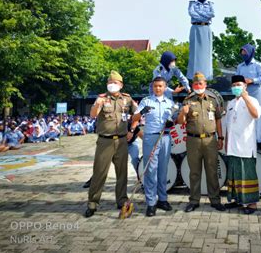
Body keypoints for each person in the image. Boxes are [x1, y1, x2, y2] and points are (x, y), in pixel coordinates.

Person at [85, 70, 137, 218]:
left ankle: (121, 200)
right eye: (110, 82)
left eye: (115, 83)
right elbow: (93, 115)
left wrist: (132, 130)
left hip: (121, 140)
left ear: (121, 85)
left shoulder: (127, 99)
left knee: (122, 173)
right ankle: (93, 203)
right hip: (105, 141)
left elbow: (137, 114)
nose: (112, 85)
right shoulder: (101, 99)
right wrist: (96, 105)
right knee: (99, 173)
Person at [177, 72, 226, 212]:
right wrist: (183, 113)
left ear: (205, 85)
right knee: (194, 172)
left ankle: (215, 200)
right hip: (193, 140)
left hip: (211, 140)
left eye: (201, 84)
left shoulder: (213, 100)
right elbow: (181, 123)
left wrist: (221, 137)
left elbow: (218, 120)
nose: (198, 86)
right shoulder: (187, 100)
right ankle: (194, 201)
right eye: (195, 84)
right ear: (192, 85)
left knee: (212, 171)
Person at [130, 77, 176, 217]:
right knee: (150, 169)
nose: (158, 88)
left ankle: (162, 199)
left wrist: (171, 122)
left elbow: (176, 119)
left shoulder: (170, 102)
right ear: (153, 87)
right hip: (150, 137)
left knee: (163, 170)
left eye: (160, 86)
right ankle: (151, 202)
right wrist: (142, 112)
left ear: (165, 87)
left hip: (165, 137)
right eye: (155, 86)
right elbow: (134, 118)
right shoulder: (146, 101)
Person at [224, 75, 261, 214]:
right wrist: (226, 142)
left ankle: (252, 204)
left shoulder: (252, 100)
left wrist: (245, 97)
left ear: (245, 86)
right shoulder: (231, 103)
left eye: (239, 85)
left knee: (247, 174)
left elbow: (256, 114)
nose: (236, 88)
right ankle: (236, 200)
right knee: (234, 174)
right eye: (233, 85)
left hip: (246, 145)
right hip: (232, 145)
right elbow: (229, 125)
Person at [236, 44, 261, 147]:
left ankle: (258, 140)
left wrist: (252, 80)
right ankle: (246, 138)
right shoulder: (240, 66)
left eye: (245, 52)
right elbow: (237, 79)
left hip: (256, 92)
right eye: (242, 53)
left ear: (251, 52)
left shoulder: (258, 65)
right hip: (244, 91)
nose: (243, 54)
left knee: (258, 114)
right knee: (244, 112)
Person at [186, 0, 215, 80]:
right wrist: (204, 16)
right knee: (194, 54)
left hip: (206, 28)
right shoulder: (192, 4)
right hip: (195, 28)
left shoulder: (210, 4)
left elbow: (212, 14)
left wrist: (199, 14)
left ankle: (206, 77)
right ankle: (193, 77)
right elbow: (191, 13)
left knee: (206, 55)